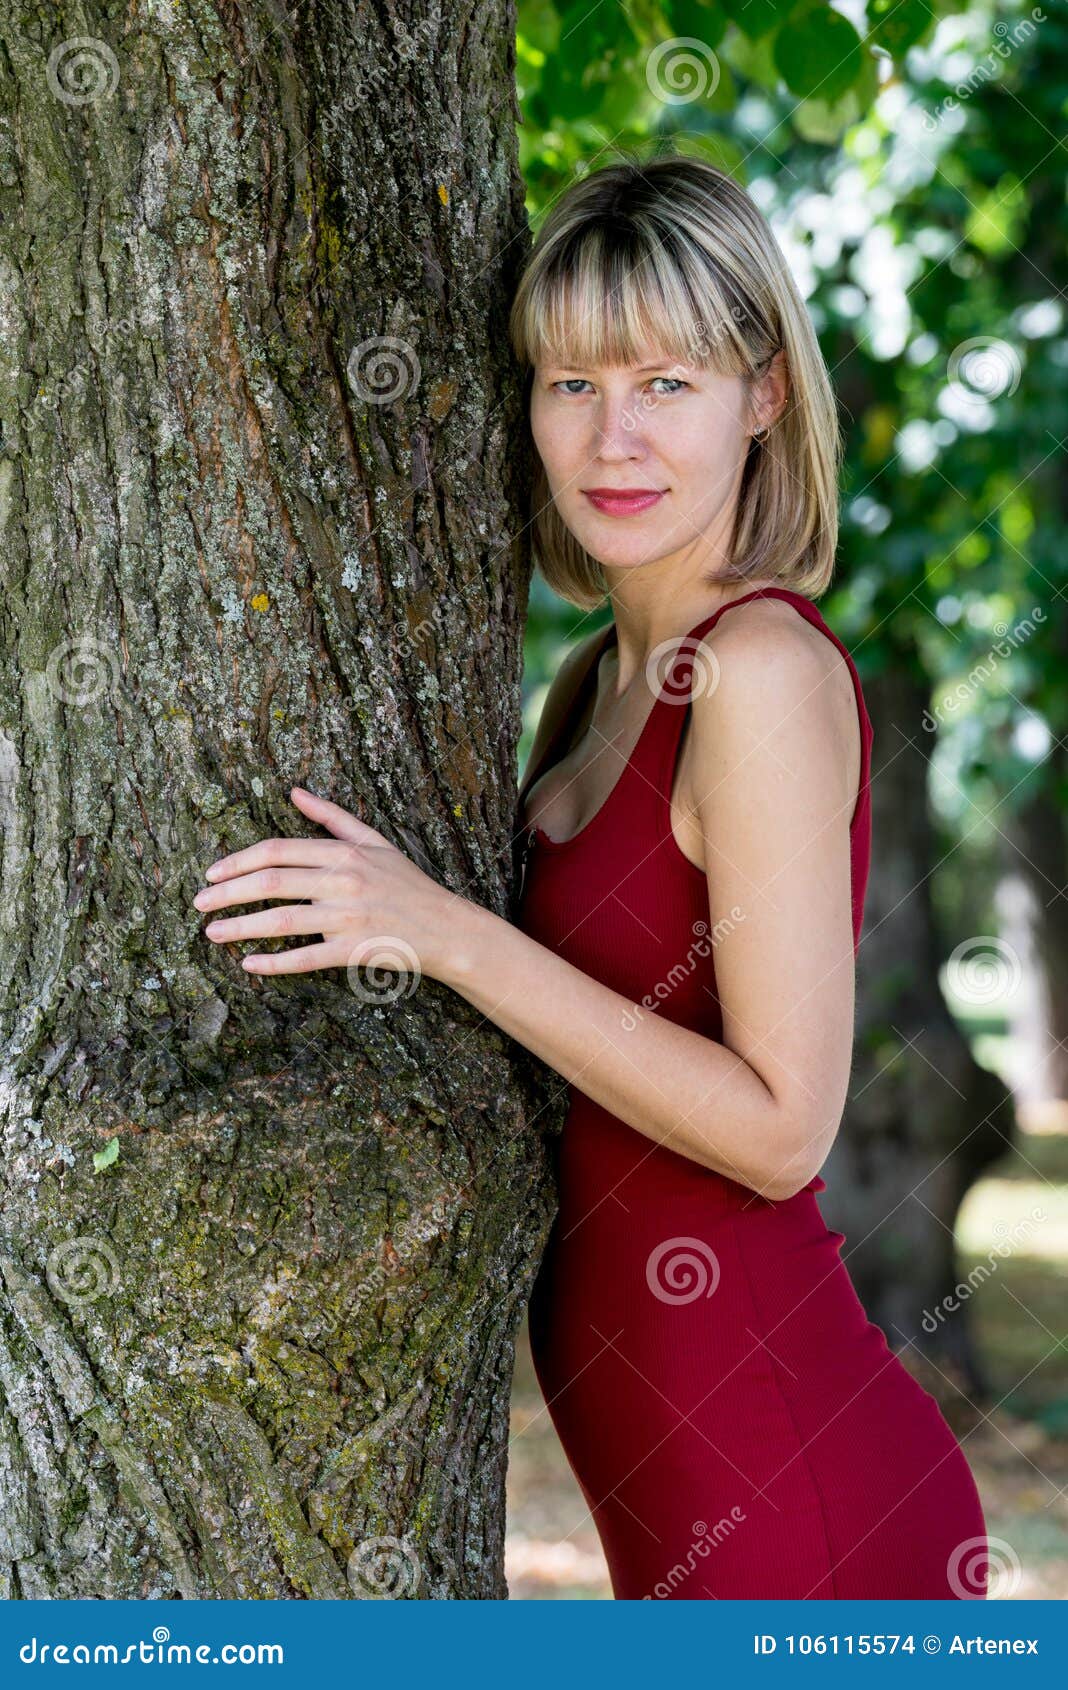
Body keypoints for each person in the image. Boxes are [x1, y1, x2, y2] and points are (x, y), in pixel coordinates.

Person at [191, 150, 989, 1602]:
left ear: (763, 393)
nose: (612, 438)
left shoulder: (758, 671)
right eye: (571, 384)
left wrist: (440, 932)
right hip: (675, 1491)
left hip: (804, 1506)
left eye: (666, 383)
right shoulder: (586, 686)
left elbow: (779, 1129)